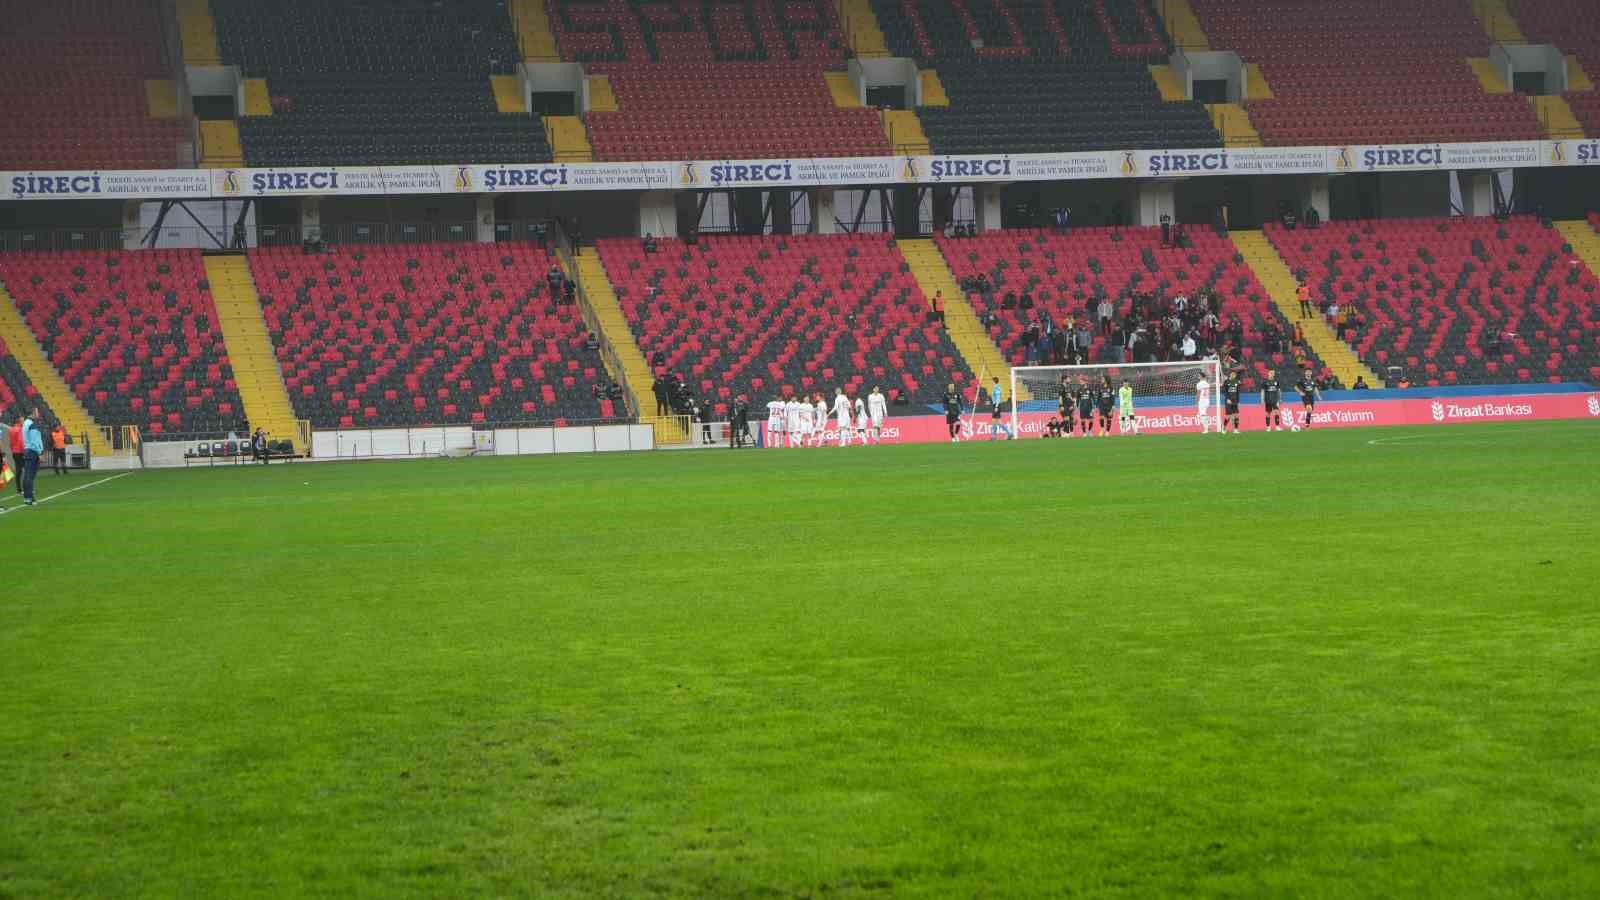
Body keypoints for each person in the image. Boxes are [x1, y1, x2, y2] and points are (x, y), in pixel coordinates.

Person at [20, 407, 43, 506]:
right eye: (37, 412)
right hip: (32, 451)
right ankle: (30, 498)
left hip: (28, 450)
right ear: (33, 413)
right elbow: (34, 441)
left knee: (27, 476)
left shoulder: (26, 423)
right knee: (30, 476)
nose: (38, 414)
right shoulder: (32, 424)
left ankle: (27, 498)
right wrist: (40, 453)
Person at [7, 417, 24, 497]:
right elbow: (21, 441)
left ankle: (19, 489)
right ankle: (24, 489)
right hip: (20, 452)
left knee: (18, 470)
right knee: (24, 470)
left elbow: (10, 442)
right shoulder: (20, 429)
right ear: (19, 421)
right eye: (22, 420)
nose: (23, 422)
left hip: (14, 452)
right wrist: (24, 450)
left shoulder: (11, 429)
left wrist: (13, 449)